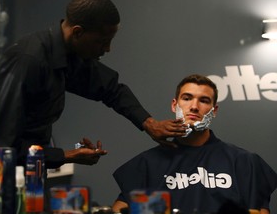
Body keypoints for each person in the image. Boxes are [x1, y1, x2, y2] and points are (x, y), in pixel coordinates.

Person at [0, 0, 187, 169]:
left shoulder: (68, 56)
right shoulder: (28, 60)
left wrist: (149, 124)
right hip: (1, 183)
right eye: (102, 41)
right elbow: (0, 148)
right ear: (77, 32)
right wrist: (65, 156)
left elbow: (112, 89)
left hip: (30, 173)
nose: (108, 49)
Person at [112, 74, 277, 214]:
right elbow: (120, 209)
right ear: (174, 105)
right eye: (187, 98)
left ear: (214, 111)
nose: (194, 107)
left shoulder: (244, 163)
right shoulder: (149, 163)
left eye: (204, 100)